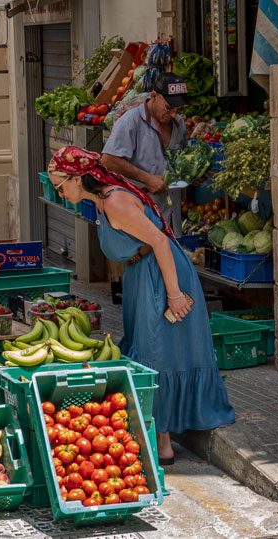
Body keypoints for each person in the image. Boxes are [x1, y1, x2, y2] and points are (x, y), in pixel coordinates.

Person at [48, 146, 234, 466]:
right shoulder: (100, 203)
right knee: (150, 346)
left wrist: (174, 295)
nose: (59, 191)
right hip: (142, 274)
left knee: (156, 350)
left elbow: (160, 241)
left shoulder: (115, 202)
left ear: (77, 178)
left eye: (60, 184)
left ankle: (162, 441)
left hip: (161, 276)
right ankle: (156, 429)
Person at [101, 72, 189, 235]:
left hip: (171, 217)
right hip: (140, 216)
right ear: (154, 96)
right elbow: (108, 160)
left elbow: (179, 162)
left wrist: (193, 173)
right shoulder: (130, 122)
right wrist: (147, 179)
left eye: (178, 109)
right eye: (169, 108)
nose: (173, 114)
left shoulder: (179, 124)